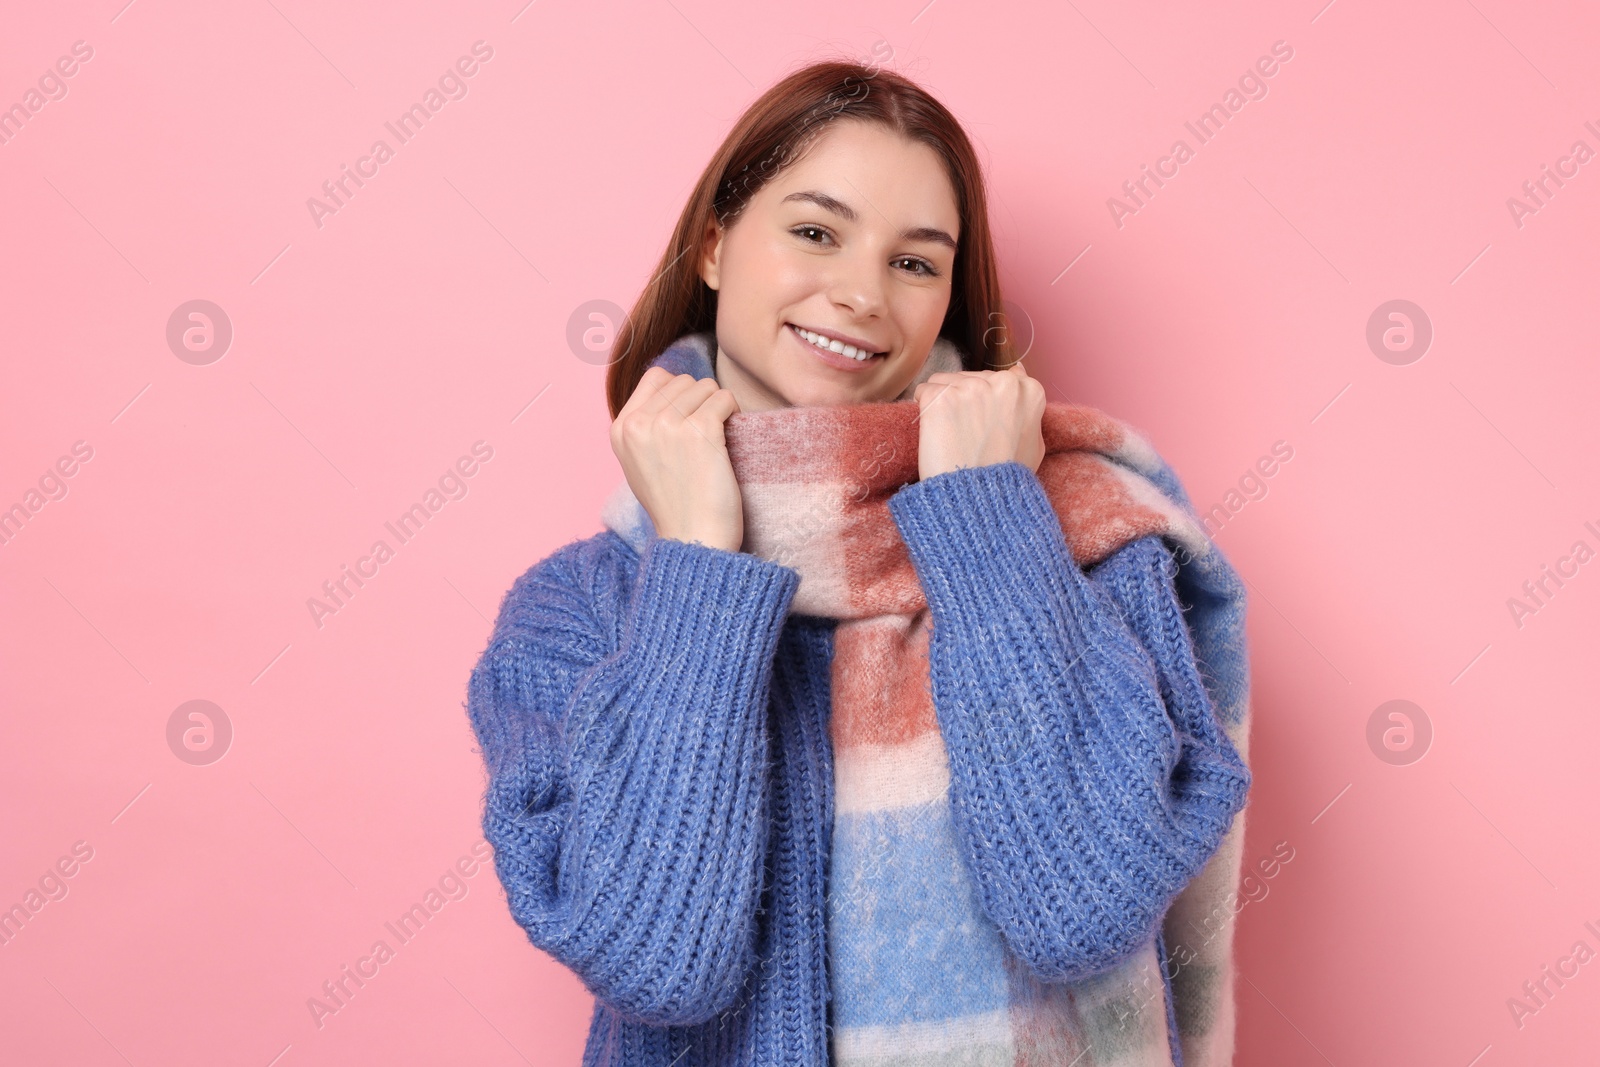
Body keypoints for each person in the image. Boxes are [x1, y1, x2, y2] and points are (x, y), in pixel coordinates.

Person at [465, 58, 1251, 1067]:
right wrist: (702, 559)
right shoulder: (582, 606)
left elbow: (1081, 910)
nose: (860, 293)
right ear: (713, 246)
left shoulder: (1084, 551)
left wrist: (987, 522)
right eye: (814, 232)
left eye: (916, 263)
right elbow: (658, 962)